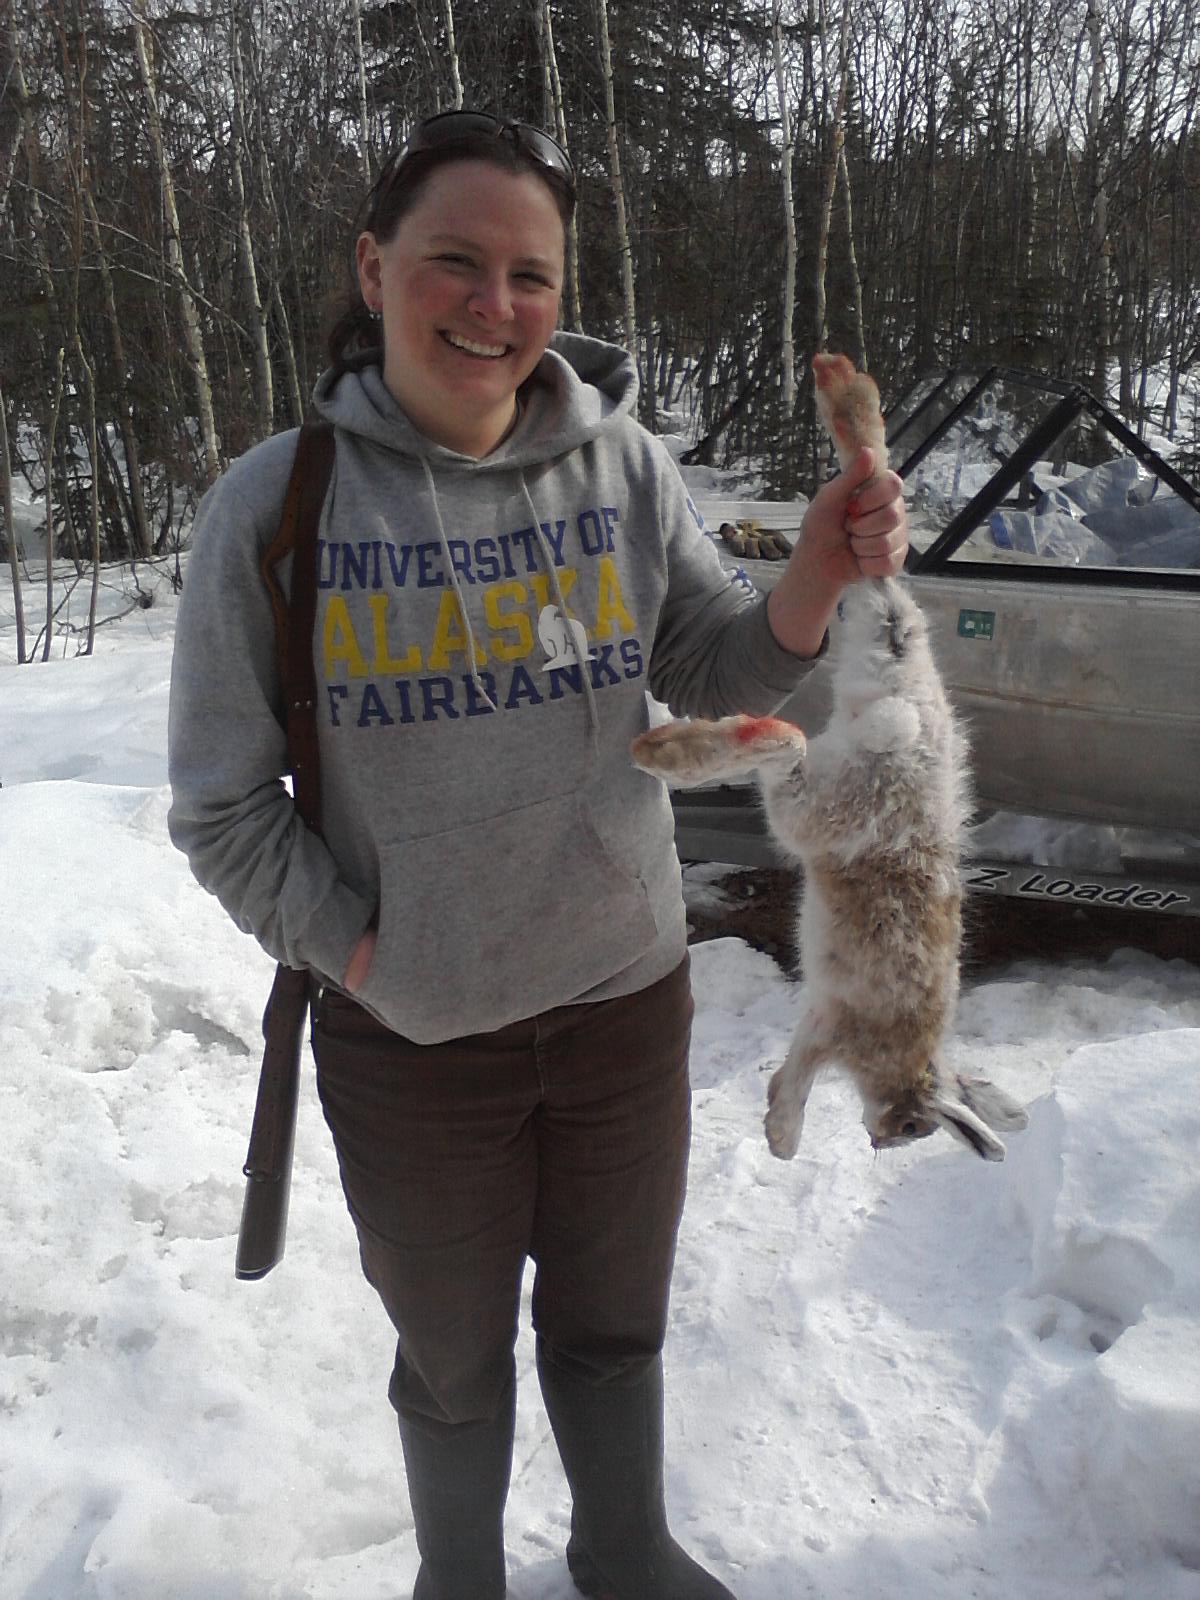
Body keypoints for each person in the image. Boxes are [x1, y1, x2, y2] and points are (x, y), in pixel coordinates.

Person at [167, 110, 908, 1600]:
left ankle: (623, 1553)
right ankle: (461, 1579)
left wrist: (816, 573)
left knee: (614, 1326)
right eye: (455, 262)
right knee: (450, 1357)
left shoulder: (620, 467)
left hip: (623, 1003)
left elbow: (710, 666)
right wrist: (369, 955)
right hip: (413, 1042)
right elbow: (224, 806)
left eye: (531, 276)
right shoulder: (275, 508)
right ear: (374, 270)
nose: (493, 306)